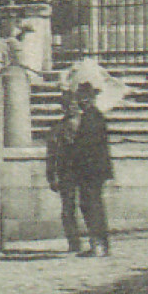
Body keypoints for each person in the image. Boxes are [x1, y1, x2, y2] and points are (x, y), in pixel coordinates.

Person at [45, 83, 113, 257]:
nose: (77, 104)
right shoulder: (92, 117)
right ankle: (97, 244)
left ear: (86, 99)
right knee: (89, 206)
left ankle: (98, 245)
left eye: (79, 100)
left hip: (90, 172)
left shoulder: (91, 118)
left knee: (92, 207)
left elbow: (87, 148)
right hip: (90, 172)